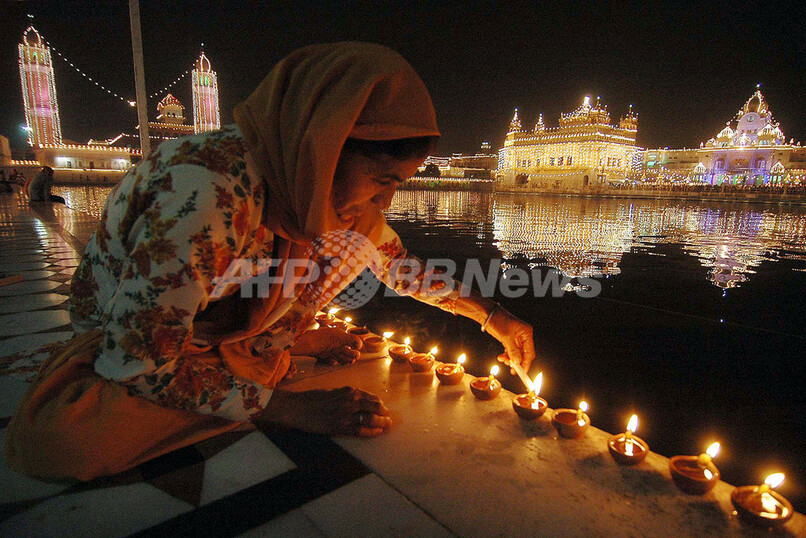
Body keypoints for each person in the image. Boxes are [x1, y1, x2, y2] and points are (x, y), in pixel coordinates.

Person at [5, 42, 535, 481]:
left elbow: (402, 269)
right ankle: (257, 367)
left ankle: (251, 358)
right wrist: (287, 410)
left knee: (356, 244)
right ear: (322, 143)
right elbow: (134, 361)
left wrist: (494, 317)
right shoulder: (209, 193)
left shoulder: (309, 191)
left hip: (212, 321)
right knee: (64, 441)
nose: (386, 203)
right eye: (383, 180)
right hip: (119, 335)